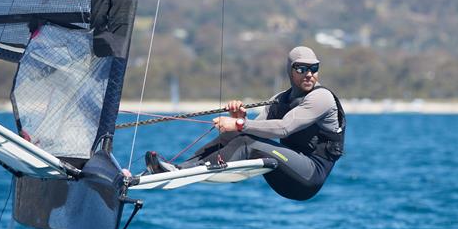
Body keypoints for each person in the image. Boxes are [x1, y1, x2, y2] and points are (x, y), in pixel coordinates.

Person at [145, 46, 345, 201]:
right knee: (239, 136)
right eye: (301, 68)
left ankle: (183, 172)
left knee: (246, 141)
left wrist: (240, 123)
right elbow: (249, 132)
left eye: (314, 68)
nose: (309, 74)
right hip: (285, 176)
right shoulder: (279, 100)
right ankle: (178, 168)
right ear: (290, 71)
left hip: (309, 178)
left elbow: (284, 128)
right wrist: (238, 118)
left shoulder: (322, 98)